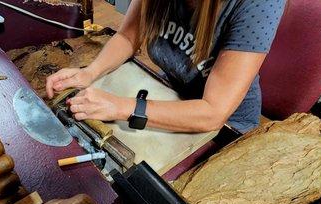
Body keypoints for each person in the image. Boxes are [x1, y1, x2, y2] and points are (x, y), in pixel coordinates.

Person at [46, 0, 286, 133]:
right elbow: (129, 37)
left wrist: (120, 107)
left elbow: (213, 113)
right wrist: (90, 72)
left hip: (226, 126)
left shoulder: (261, 4)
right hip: (170, 89)